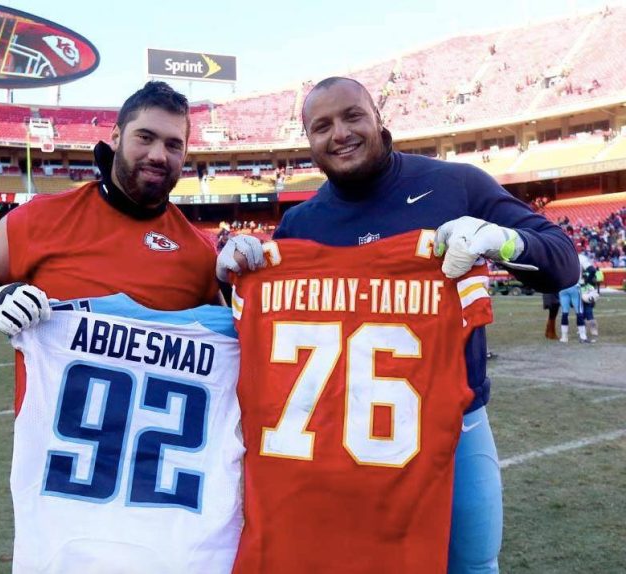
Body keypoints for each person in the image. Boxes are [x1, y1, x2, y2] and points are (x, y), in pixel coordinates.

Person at [239, 76, 579, 574]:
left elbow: (563, 262)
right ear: (308, 141)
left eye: (353, 116)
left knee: (472, 564)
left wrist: (500, 241)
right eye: (322, 125)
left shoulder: (454, 184)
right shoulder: (300, 225)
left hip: (452, 426)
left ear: (379, 117)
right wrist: (238, 276)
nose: (340, 134)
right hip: (336, 437)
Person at [0, 81, 260, 572]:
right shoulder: (44, 218)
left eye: (174, 144)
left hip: (157, 489)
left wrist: (237, 285)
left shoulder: (195, 251)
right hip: (65, 480)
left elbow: (235, 350)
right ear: (116, 135)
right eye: (145, 137)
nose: (158, 154)